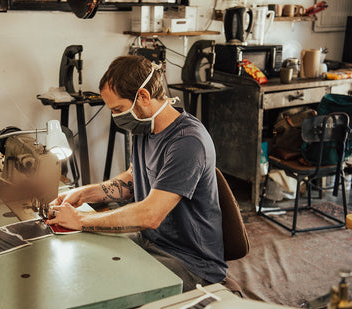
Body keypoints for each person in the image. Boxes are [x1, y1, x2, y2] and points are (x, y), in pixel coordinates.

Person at [47, 55, 227, 292]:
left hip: (191, 262)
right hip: (152, 241)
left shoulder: (188, 142)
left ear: (142, 96)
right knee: (82, 260)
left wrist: (80, 220)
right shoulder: (145, 127)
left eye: (118, 109)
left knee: (97, 286)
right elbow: (133, 179)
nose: (116, 117)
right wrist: (84, 193)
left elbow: (150, 215)